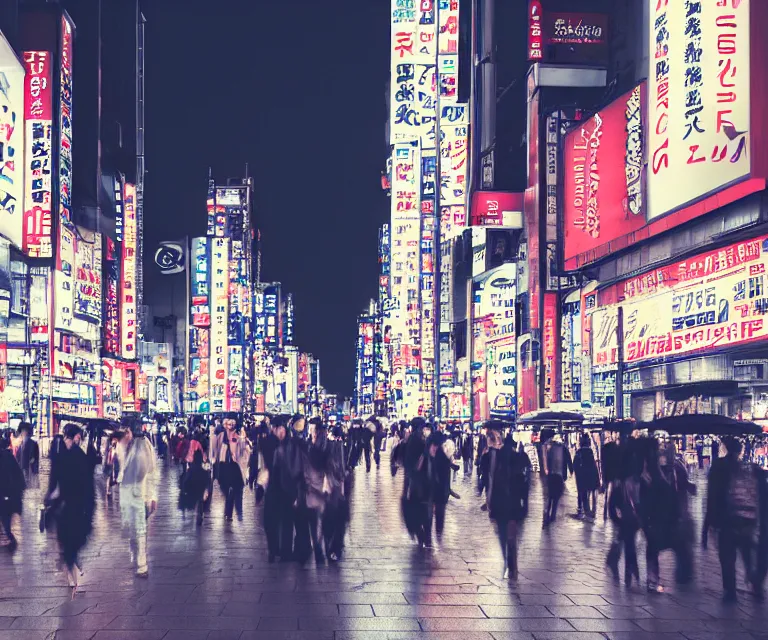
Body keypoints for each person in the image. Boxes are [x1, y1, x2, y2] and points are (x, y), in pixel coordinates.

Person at [704, 436, 768, 602]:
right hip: (748, 519)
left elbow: (712, 495)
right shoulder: (750, 468)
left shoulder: (718, 467)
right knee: (747, 552)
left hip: (727, 518)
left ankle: (730, 591)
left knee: (727, 555)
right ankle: (754, 583)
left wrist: (707, 523)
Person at [45, 424, 95, 592]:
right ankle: (71, 569)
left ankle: (71, 565)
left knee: (69, 540)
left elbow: (55, 482)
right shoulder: (67, 455)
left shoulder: (70, 456)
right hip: (72, 506)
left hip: (69, 506)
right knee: (70, 540)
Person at [478, 421, 528, 580]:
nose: (490, 437)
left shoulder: (513, 454)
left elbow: (521, 479)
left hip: (512, 500)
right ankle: (507, 560)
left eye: (493, 434)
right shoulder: (487, 456)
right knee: (501, 535)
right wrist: (486, 496)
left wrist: (524, 502)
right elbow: (485, 477)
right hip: (496, 501)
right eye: (489, 435)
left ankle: (512, 566)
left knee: (511, 536)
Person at [115, 425, 157, 578]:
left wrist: (152, 496)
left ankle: (142, 564)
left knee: (140, 528)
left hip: (141, 492)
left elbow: (152, 470)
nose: (125, 434)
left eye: (126, 431)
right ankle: (135, 554)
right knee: (132, 528)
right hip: (126, 492)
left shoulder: (145, 444)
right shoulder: (120, 444)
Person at [606, 439, 642, 587]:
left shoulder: (622, 481)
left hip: (627, 516)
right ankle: (629, 570)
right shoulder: (627, 481)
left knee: (627, 541)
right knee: (629, 542)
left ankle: (626, 568)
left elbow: (612, 505)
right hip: (629, 516)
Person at [211, 414, 251, 522]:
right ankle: (228, 509)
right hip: (223, 466)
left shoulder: (239, 436)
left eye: (233, 421)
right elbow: (214, 448)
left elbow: (245, 451)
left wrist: (242, 439)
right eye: (229, 421)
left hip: (234, 466)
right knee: (225, 488)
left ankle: (229, 513)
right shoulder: (221, 435)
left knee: (233, 490)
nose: (231, 423)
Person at [323, 425, 348, 561]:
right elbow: (342, 470)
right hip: (336, 489)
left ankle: (331, 547)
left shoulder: (331, 446)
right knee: (336, 520)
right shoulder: (339, 446)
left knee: (330, 519)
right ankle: (334, 548)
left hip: (331, 489)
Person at [0, 431, 25, 552]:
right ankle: (8, 537)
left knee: (5, 517)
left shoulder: (6, 456)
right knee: (5, 517)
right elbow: (19, 475)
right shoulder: (8, 455)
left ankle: (9, 538)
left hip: (6, 494)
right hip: (7, 495)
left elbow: (17, 475)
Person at [542, 433, 573, 527]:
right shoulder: (561, 449)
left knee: (551, 496)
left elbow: (568, 460)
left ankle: (548, 515)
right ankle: (551, 516)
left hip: (553, 475)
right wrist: (571, 470)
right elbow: (569, 460)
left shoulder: (550, 448)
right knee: (555, 496)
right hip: (557, 476)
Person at [179, 449, 210, 526]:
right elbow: (207, 481)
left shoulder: (190, 470)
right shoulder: (203, 471)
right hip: (200, 490)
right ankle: (201, 512)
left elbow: (186, 481)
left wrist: (184, 489)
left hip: (192, 490)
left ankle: (188, 511)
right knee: (201, 499)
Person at [573, 433, 599, 519]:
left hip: (581, 477)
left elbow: (575, 465)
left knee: (582, 494)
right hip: (590, 476)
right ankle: (591, 512)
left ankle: (583, 510)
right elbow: (594, 465)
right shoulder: (590, 452)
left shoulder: (579, 452)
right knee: (590, 493)